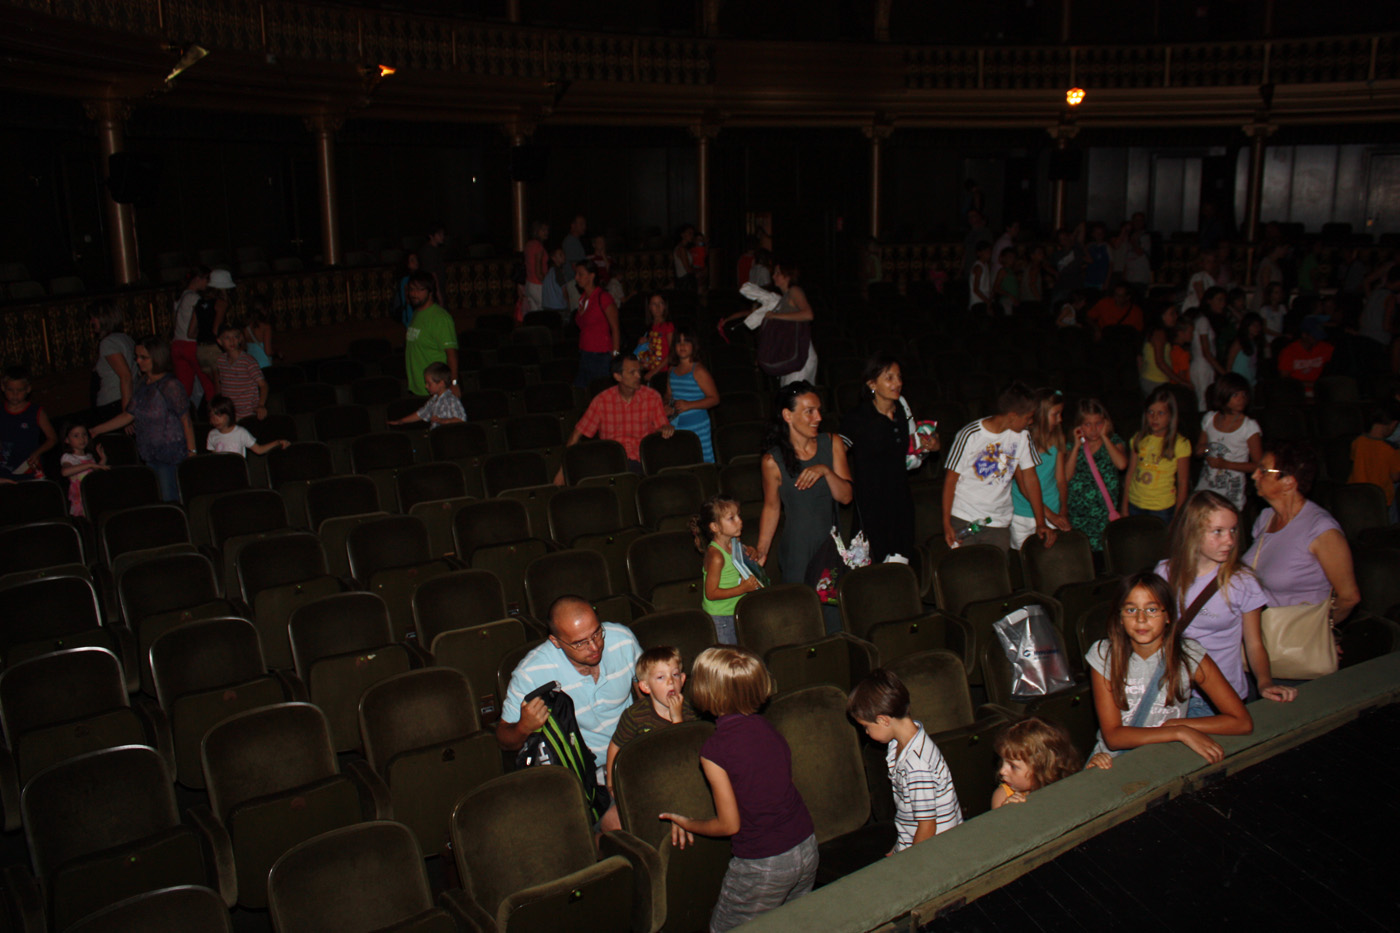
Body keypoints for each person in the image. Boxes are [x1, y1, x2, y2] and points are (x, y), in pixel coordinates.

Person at [660, 646, 817, 932]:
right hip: (806, 845)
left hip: (765, 862)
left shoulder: (715, 750)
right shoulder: (767, 727)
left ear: (707, 692)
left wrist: (689, 823)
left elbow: (729, 825)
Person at [496, 596, 641, 832]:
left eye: (597, 633)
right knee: (629, 823)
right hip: (589, 777)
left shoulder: (622, 640)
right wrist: (523, 727)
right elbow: (504, 739)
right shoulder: (531, 673)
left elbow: (645, 692)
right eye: (580, 643)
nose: (594, 647)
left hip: (633, 756)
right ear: (555, 641)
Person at [1084, 571, 1252, 769]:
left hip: (1164, 758)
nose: (1141, 619)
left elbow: (1242, 722)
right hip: (1115, 762)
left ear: (1168, 616)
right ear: (1120, 617)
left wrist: (1183, 725)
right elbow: (1114, 737)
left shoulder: (1188, 655)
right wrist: (1178, 732)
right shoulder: (1105, 655)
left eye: (1152, 609)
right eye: (1130, 610)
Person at [1157, 491, 1295, 717]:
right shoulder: (1165, 573)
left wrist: (1264, 683)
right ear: (1192, 531)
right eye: (1218, 531)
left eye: (1233, 530)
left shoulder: (1242, 582)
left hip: (1220, 696)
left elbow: (1254, 643)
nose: (1229, 540)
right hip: (1172, 691)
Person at [1243, 441, 1361, 631]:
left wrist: (1320, 629)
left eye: (1263, 471)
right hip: (1269, 632)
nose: (1255, 475)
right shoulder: (1265, 518)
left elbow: (1349, 597)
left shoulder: (1321, 530)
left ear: (1289, 482)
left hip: (1299, 638)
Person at [847, 668, 962, 852]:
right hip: (914, 842)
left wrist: (909, 863)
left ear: (883, 720)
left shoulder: (916, 764)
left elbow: (927, 827)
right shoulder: (899, 744)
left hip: (935, 852)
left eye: (866, 727)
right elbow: (910, 815)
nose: (866, 733)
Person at [840, 353, 939, 563]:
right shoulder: (858, 416)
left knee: (901, 562)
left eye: (899, 377)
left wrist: (930, 445)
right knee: (873, 565)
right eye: (889, 378)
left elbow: (906, 451)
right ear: (872, 384)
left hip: (900, 499)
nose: (897, 383)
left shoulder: (901, 411)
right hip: (871, 502)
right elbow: (838, 450)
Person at [756, 382, 853, 589]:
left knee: (834, 606)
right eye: (809, 411)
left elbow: (846, 497)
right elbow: (771, 507)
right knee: (802, 605)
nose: (818, 417)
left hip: (831, 545)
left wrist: (825, 471)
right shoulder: (772, 461)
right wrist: (762, 550)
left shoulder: (832, 443)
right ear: (787, 415)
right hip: (797, 549)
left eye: (818, 410)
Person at [942, 381, 1055, 552]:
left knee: (996, 567)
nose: (1030, 422)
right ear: (1012, 416)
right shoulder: (970, 435)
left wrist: (1041, 523)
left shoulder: (1023, 437)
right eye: (1028, 418)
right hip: (964, 515)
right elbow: (950, 480)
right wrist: (946, 523)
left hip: (999, 521)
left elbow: (1030, 479)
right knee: (967, 566)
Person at [90, 337, 196, 502]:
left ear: (157, 358)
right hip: (150, 454)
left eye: (143, 357)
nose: (138, 361)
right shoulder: (143, 384)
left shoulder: (170, 385)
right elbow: (128, 415)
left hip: (169, 455)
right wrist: (96, 430)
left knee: (170, 500)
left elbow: (186, 419)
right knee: (158, 498)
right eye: (137, 357)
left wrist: (192, 452)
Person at [556, 354, 674, 482]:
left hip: (642, 460)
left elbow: (662, 427)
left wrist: (665, 429)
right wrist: (562, 472)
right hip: (611, 462)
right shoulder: (602, 401)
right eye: (632, 372)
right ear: (618, 376)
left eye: (639, 371)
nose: (638, 376)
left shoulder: (652, 397)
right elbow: (576, 434)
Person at [604, 646, 698, 801]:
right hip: (646, 779)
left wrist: (677, 719)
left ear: (682, 679)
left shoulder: (690, 711)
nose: (670, 681)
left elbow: (686, 754)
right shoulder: (635, 715)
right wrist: (611, 784)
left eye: (675, 675)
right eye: (660, 677)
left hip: (681, 778)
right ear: (646, 687)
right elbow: (616, 745)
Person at [692, 495, 761, 645]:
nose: (739, 521)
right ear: (715, 527)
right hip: (721, 617)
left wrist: (751, 551)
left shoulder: (734, 541)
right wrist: (742, 589)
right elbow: (711, 593)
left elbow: (743, 554)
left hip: (736, 609)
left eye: (738, 515)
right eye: (731, 518)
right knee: (729, 654)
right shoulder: (716, 556)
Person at [1010, 388, 1072, 550]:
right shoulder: (1020, 440)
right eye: (1055, 414)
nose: (1060, 419)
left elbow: (1061, 479)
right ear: (1040, 415)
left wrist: (1063, 509)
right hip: (1022, 512)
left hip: (1052, 506)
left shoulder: (1058, 437)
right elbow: (1024, 486)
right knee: (1024, 556)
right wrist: (1049, 515)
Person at [1065, 398, 1127, 553]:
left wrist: (1105, 437)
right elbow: (1066, 476)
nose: (1093, 429)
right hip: (1078, 516)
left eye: (1098, 423)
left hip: (1104, 517)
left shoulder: (1114, 441)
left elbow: (1121, 464)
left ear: (1105, 423)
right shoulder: (1072, 446)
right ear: (1079, 426)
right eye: (1087, 424)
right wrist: (1076, 447)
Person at [1123, 386, 1191, 524]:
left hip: (1162, 507)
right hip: (1136, 502)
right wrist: (1124, 505)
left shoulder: (1180, 444)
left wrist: (1177, 515)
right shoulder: (1138, 439)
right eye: (1151, 412)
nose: (1154, 418)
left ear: (1170, 416)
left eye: (1161, 413)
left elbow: (1183, 482)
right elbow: (1130, 474)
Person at [1194, 373, 1261, 509]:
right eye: (1235, 395)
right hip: (1207, 486)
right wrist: (1205, 451)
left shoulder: (1249, 427)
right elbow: (1199, 448)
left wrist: (1226, 464)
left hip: (1231, 491)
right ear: (1223, 395)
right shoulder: (1209, 419)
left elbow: (1258, 465)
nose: (1241, 399)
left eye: (1244, 395)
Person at [989, 717, 1084, 809]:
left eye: (1013, 766)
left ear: (1041, 768)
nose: (1002, 771)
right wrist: (1007, 813)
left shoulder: (1068, 787)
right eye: (1002, 761)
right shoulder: (1003, 796)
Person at [665, 325, 718, 463]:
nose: (682, 346)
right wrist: (667, 406)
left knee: (702, 459)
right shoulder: (672, 370)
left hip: (698, 424)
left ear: (694, 345)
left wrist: (689, 405)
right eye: (678, 342)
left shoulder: (698, 371)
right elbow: (669, 395)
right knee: (684, 460)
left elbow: (714, 399)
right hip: (678, 424)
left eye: (686, 342)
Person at [404, 271, 459, 398]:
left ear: (430, 292)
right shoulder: (416, 314)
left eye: (419, 290)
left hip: (436, 390)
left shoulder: (440, 318)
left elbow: (451, 354)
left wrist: (454, 383)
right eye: (411, 290)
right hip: (418, 388)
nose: (414, 294)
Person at [1, 366, 56, 481]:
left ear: (28, 389)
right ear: (3, 388)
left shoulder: (35, 412)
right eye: (10, 390)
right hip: (5, 468)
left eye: (20, 390)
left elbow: (52, 438)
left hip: (28, 466)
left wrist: (37, 453)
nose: (15, 394)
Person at [767, 263, 819, 386]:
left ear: (788, 276)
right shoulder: (783, 297)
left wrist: (775, 316)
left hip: (800, 353)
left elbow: (808, 314)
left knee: (795, 393)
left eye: (778, 273)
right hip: (790, 352)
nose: (773, 276)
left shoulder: (794, 291)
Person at [573, 260, 621, 389]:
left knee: (601, 391)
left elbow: (615, 329)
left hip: (601, 355)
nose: (576, 278)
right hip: (585, 353)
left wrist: (615, 356)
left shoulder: (603, 297)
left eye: (580, 274)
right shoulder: (583, 299)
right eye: (576, 274)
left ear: (591, 276)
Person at [1348, 405, 1400, 520]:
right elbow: (1395, 477)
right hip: (1381, 498)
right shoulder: (1391, 449)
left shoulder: (1357, 442)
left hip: (1356, 493)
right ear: (1393, 424)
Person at [171, 266, 214, 403]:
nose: (208, 283)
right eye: (207, 279)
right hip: (191, 345)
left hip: (177, 344)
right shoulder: (194, 298)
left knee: (184, 390)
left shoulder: (179, 296)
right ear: (198, 279)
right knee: (209, 383)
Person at [89, 302, 135, 424]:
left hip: (114, 403)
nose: (91, 322)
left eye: (94, 318)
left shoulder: (108, 343)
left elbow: (125, 376)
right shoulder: (125, 338)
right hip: (122, 401)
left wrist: (125, 412)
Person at [212, 324, 267, 422]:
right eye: (227, 338)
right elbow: (221, 386)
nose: (232, 341)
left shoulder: (248, 361)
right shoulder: (221, 361)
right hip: (230, 413)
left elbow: (263, 385)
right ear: (220, 341)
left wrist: (261, 405)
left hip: (248, 413)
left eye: (235, 337)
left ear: (240, 339)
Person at [388, 362, 466, 430]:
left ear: (441, 383)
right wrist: (401, 421)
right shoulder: (433, 400)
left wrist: (442, 421)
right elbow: (420, 414)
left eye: (429, 383)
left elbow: (461, 420)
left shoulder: (451, 399)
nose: (426, 386)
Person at [205, 396, 291, 457]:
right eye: (211, 416)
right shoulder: (212, 435)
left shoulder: (240, 432)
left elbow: (259, 450)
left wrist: (277, 442)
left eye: (219, 415)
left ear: (229, 414)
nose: (214, 419)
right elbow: (215, 458)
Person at [1188, 287, 1229, 408]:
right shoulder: (1203, 321)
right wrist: (1224, 373)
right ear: (1209, 301)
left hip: (1206, 366)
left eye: (1224, 300)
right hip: (1202, 366)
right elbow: (1206, 352)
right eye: (1219, 300)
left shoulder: (1206, 320)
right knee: (1204, 401)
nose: (1223, 304)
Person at [1277, 316, 1334, 397]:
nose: (1317, 339)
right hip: (1296, 392)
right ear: (1304, 335)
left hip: (1319, 392)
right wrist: (1310, 384)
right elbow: (1285, 378)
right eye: (1314, 336)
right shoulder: (1289, 351)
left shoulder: (1325, 348)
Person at [1138, 305, 1189, 396]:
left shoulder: (1156, 332)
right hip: (1156, 380)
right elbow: (1160, 362)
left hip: (1151, 378)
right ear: (1162, 316)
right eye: (1172, 314)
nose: (1175, 317)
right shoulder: (1159, 333)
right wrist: (1181, 381)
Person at [59, 422, 106, 516]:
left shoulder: (89, 456)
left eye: (84, 434)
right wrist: (89, 465)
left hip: (92, 495)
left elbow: (94, 473)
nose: (82, 439)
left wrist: (103, 460)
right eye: (76, 436)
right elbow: (65, 472)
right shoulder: (69, 457)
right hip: (81, 500)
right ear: (67, 440)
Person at [636, 293, 674, 385]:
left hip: (663, 371)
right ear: (649, 307)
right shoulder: (649, 326)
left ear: (665, 306)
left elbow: (672, 352)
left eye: (661, 303)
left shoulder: (668, 326)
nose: (658, 307)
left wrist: (653, 372)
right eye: (654, 304)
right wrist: (642, 342)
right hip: (649, 369)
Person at [1226, 312, 1265, 385]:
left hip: (1250, 381)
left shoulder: (1254, 343)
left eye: (1258, 325)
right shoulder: (1239, 343)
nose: (1257, 328)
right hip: (1238, 381)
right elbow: (1229, 365)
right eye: (1253, 325)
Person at [523, 221, 549, 312]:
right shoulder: (538, 247)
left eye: (547, 230)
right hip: (538, 284)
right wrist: (547, 283)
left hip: (529, 283)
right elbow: (538, 272)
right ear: (536, 231)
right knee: (543, 312)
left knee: (534, 314)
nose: (546, 232)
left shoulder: (528, 244)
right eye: (543, 230)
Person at [417, 226, 447, 300]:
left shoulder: (437, 250)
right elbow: (432, 273)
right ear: (431, 236)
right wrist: (438, 293)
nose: (442, 236)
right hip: (432, 289)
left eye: (442, 234)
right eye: (439, 234)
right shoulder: (428, 251)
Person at [243, 300, 274, 368]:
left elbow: (244, 347)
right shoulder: (266, 327)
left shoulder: (246, 328)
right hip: (264, 364)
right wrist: (277, 352)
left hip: (250, 365)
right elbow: (268, 351)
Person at [392, 252, 421, 327]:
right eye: (412, 260)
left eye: (416, 259)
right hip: (410, 313)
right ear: (407, 264)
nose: (415, 262)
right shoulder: (405, 280)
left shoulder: (419, 277)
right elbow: (407, 299)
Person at [541, 247, 570, 318]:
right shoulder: (558, 272)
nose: (563, 256)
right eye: (560, 255)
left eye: (563, 254)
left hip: (547, 306)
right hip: (558, 307)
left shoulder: (549, 272)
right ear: (553, 258)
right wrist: (569, 304)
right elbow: (564, 290)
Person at [992, 247, 1019, 316]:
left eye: (1013, 257)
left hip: (1013, 300)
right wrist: (1010, 295)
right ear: (1004, 258)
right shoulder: (1003, 271)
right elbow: (996, 287)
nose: (1012, 259)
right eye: (1009, 257)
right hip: (1006, 300)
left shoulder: (1012, 271)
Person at [968, 241, 993, 312]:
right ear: (979, 253)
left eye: (989, 251)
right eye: (986, 251)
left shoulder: (986, 265)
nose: (989, 253)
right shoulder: (978, 267)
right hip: (978, 302)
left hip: (984, 300)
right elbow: (976, 289)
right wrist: (987, 301)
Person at [673, 224, 696, 291]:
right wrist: (698, 272)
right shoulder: (682, 249)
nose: (692, 236)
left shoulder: (684, 248)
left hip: (683, 279)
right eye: (689, 233)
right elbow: (688, 269)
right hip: (685, 280)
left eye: (692, 233)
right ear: (683, 235)